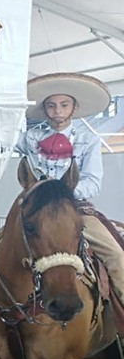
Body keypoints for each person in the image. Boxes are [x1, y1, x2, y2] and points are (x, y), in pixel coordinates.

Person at [17, 72, 124, 305]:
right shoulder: (30, 137)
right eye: (51, 105)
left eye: (64, 105)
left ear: (74, 108)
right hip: (36, 210)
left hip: (75, 210)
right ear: (44, 109)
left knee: (116, 256)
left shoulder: (89, 140)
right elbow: (1, 140)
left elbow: (93, 181)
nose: (58, 110)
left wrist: (62, 195)